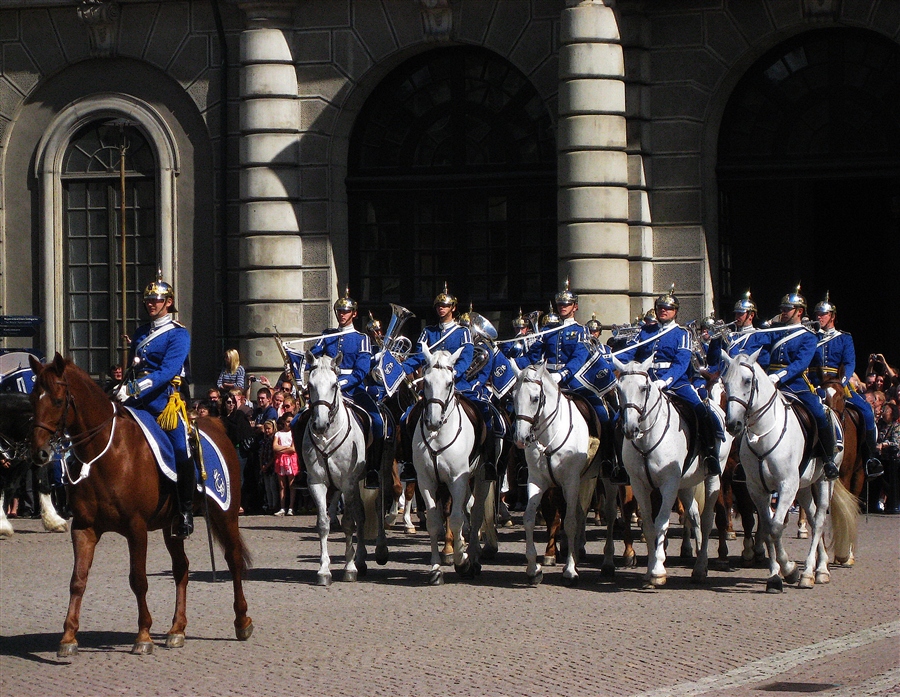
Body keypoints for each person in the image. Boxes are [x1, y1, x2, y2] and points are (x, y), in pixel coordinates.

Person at [114, 273, 194, 539]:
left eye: (157, 300)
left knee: (181, 447)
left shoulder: (178, 334)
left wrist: (135, 388)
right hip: (133, 400)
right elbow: (133, 367)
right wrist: (123, 387)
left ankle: (185, 510)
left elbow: (167, 371)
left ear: (168, 302)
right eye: (148, 299)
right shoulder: (140, 332)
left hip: (163, 401)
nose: (151, 304)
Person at [617, 284, 723, 476]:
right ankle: (621, 464)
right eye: (660, 308)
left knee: (701, 409)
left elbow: (681, 362)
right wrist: (617, 364)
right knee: (620, 416)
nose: (663, 311)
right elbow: (628, 354)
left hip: (676, 383)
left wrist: (665, 381)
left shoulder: (682, 333)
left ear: (675, 312)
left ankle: (710, 454)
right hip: (645, 382)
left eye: (668, 309)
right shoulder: (644, 332)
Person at [515, 280, 618, 476]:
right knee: (521, 415)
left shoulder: (581, 331)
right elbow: (533, 356)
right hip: (547, 382)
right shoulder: (547, 331)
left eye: (566, 305)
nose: (562, 308)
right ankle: (523, 465)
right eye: (560, 304)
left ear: (575, 307)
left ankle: (609, 460)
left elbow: (579, 357)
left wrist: (563, 374)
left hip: (573, 381)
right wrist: (513, 362)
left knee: (603, 414)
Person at [304, 288, 385, 490]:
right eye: (339, 310)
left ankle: (373, 468)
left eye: (346, 311)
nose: (342, 314)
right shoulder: (327, 335)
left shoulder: (361, 339)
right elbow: (311, 359)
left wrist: (341, 385)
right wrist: (296, 358)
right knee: (299, 420)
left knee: (377, 421)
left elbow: (362, 369)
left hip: (353, 388)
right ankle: (302, 471)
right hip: (325, 392)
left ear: (354, 314)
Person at [397, 283, 475, 482]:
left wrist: (453, 374)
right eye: (439, 306)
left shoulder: (462, 332)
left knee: (484, 414)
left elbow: (466, 358)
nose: (441, 309)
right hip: (432, 388)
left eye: (446, 306)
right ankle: (409, 463)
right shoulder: (429, 333)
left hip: (457, 383)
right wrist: (402, 369)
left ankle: (485, 460)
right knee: (406, 418)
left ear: (453, 308)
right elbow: (418, 357)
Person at [760, 285, 839, 480]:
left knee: (820, 414)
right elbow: (763, 355)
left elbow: (800, 364)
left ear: (799, 311)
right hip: (769, 384)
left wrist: (778, 376)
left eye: (787, 309)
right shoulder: (775, 333)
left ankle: (828, 459)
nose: (783, 312)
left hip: (795, 385)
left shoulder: (808, 336)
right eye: (783, 309)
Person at [810, 293, 883, 477]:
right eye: (817, 313)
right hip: (815, 384)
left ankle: (870, 458)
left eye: (823, 314)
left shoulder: (844, 338)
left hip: (838, 384)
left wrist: (842, 383)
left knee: (866, 412)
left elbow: (849, 363)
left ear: (832, 316)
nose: (819, 317)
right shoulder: (811, 337)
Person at [272, 414, 298, 516]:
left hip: (291, 460)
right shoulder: (278, 434)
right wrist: (287, 448)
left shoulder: (293, 433)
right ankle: (282, 507)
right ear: (283, 422)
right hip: (281, 461)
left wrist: (281, 448)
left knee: (291, 484)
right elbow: (274, 447)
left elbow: (293, 449)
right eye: (287, 421)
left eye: (291, 422)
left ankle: (291, 507)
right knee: (282, 485)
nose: (289, 424)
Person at [258, 419, 278, 514]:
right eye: (265, 429)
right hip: (264, 464)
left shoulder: (274, 438)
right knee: (267, 487)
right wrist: (262, 465)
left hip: (272, 466)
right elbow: (261, 453)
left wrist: (267, 465)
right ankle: (269, 505)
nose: (267, 431)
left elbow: (274, 455)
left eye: (269, 429)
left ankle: (275, 505)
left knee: (273, 487)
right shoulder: (264, 440)